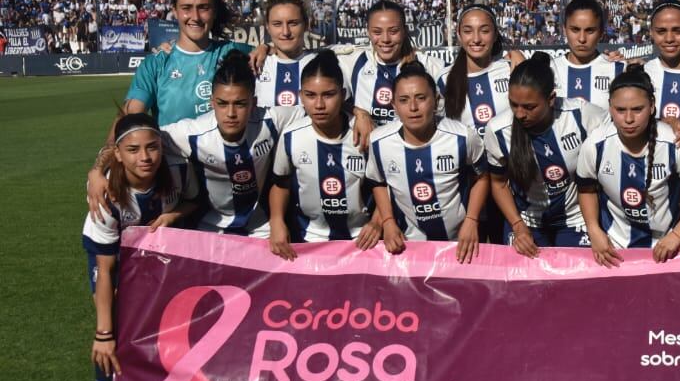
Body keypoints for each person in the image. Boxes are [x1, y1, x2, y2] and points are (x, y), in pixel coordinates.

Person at [83, 113, 196, 381]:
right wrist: (103, 332)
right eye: (132, 150)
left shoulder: (177, 171)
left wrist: (176, 215)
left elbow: (194, 201)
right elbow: (105, 269)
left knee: (169, 331)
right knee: (114, 335)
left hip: (156, 261)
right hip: (113, 262)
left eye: (152, 148)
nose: (144, 157)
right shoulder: (108, 196)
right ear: (117, 154)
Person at [577, 66, 680, 264]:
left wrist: (679, 232)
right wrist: (594, 230)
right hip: (614, 246)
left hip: (667, 246)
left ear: (651, 106)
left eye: (637, 109)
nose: (629, 119)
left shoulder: (674, 142)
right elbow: (586, 189)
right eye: (620, 110)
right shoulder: (595, 145)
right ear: (610, 108)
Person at [158, 51, 304, 237]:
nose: (231, 113)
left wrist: (354, 114)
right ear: (212, 102)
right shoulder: (193, 133)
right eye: (222, 103)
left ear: (254, 103)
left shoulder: (270, 120)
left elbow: (315, 111)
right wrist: (107, 160)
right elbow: (137, 134)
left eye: (240, 104)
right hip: (209, 228)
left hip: (262, 228)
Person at [484, 52, 607, 254]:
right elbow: (498, 183)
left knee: (576, 279)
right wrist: (517, 225)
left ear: (551, 99)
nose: (520, 114)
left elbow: (622, 126)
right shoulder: (498, 130)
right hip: (526, 221)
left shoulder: (581, 114)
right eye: (514, 104)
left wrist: (671, 124)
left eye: (529, 107)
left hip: (576, 218)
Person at [366, 61, 489, 262]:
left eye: (421, 98)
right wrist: (387, 221)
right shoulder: (379, 141)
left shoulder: (463, 137)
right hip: (408, 246)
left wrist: (472, 220)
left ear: (436, 100)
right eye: (404, 100)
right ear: (394, 106)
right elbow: (378, 182)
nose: (413, 107)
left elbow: (482, 177)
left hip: (459, 244)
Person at [268, 51, 380, 257]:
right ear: (301, 95)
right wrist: (276, 221)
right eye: (310, 95)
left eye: (328, 95)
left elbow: (386, 187)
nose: (319, 105)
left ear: (343, 94)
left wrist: (377, 222)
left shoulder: (367, 134)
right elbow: (280, 184)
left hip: (363, 241)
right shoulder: (292, 135)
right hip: (308, 239)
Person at [123, 0, 255, 125]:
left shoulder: (235, 52)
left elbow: (280, 56)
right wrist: (109, 147)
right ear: (175, 11)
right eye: (186, 8)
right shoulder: (155, 64)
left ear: (214, 12)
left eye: (203, 8)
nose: (196, 17)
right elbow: (130, 119)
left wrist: (266, 48)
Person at [339, 0, 447, 145]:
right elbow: (323, 93)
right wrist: (358, 112)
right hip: (368, 159)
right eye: (377, 32)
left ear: (404, 30)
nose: (385, 39)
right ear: (368, 32)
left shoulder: (430, 65)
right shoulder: (354, 62)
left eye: (393, 31)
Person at [439, 3, 518, 137]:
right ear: (459, 34)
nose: (476, 39)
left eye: (484, 31)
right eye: (468, 31)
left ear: (495, 34)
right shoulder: (443, 79)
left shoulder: (512, 69)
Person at [551, 0, 624, 109]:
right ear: (564, 30)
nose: (582, 39)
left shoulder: (618, 70)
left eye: (590, 31)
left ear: (601, 33)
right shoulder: (550, 69)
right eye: (575, 29)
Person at [255, 0, 316, 108]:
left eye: (293, 23)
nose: (285, 32)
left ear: (306, 25)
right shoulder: (255, 65)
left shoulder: (322, 62)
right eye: (277, 24)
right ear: (267, 27)